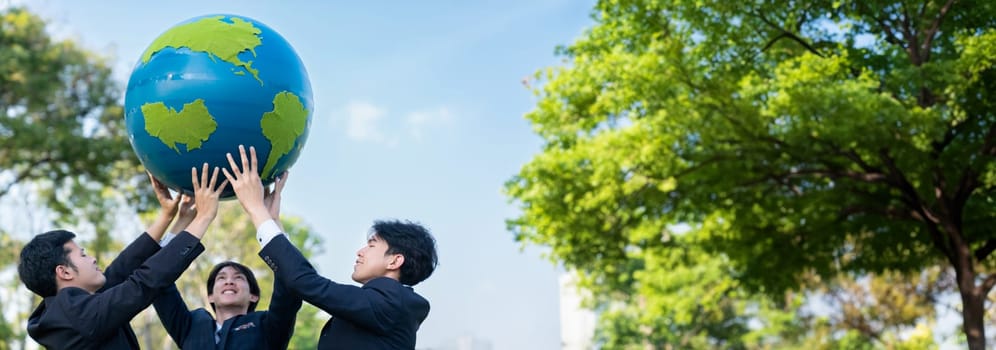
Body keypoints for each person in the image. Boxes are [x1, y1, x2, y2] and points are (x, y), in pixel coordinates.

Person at [223, 145, 439, 349]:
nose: (360, 251)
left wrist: (256, 211)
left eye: (371, 245)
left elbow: (307, 283)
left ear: (395, 260)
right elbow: (300, 279)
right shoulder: (383, 305)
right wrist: (273, 222)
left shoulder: (392, 302)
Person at [18, 165, 227, 350]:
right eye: (82, 254)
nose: (92, 259)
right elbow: (143, 284)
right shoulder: (75, 316)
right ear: (64, 272)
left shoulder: (71, 314)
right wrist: (203, 218)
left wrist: (172, 218)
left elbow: (121, 270)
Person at [152, 183, 301, 349]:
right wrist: (182, 220)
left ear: (254, 296)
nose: (229, 281)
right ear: (210, 297)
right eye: (221, 278)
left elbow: (289, 286)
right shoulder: (189, 326)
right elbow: (157, 281)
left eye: (238, 278)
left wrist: (271, 220)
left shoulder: (267, 326)